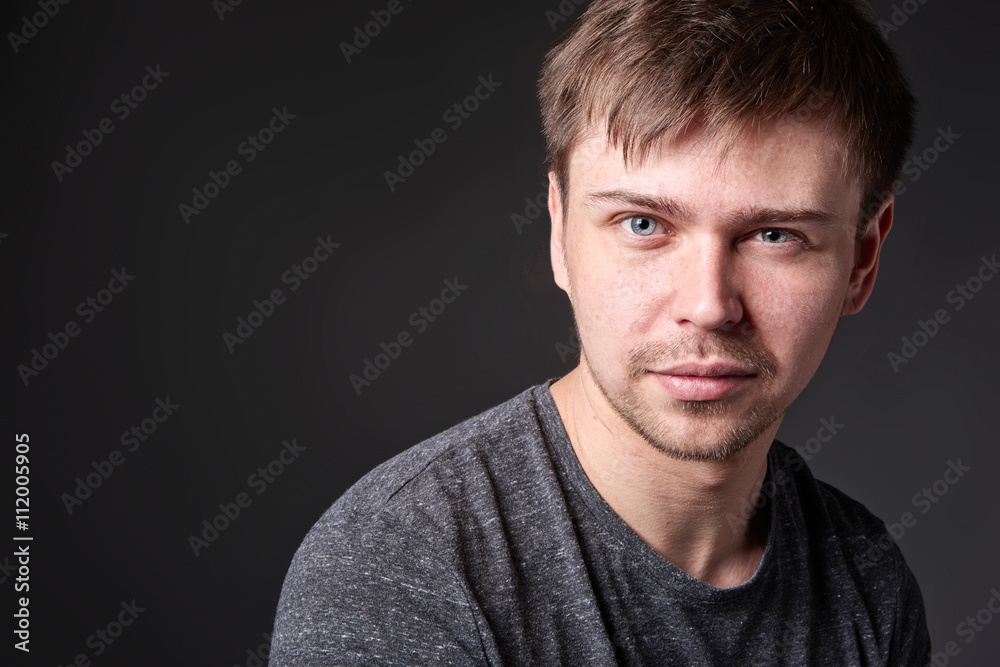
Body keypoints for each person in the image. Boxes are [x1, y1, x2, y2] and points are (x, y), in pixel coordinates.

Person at [271, 0, 930, 664]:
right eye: (643, 223)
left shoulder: (866, 584)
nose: (708, 304)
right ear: (560, 232)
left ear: (862, 258)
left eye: (774, 235)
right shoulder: (404, 569)